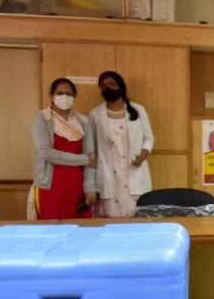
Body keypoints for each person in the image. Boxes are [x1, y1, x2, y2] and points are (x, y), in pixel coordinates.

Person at [85, 71, 154, 217]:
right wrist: (89, 186)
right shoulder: (95, 114)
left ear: (121, 87)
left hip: (134, 175)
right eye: (103, 86)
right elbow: (91, 152)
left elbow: (149, 138)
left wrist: (143, 154)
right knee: (109, 222)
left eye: (112, 84)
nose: (107, 88)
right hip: (108, 180)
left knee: (136, 222)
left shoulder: (138, 110)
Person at [31, 77, 96, 219]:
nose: (64, 97)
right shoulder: (42, 118)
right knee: (52, 230)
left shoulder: (83, 121)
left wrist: (90, 189)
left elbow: (91, 159)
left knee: (80, 232)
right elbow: (46, 153)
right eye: (60, 93)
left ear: (74, 97)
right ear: (52, 95)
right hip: (51, 186)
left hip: (77, 187)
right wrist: (83, 160)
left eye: (69, 93)